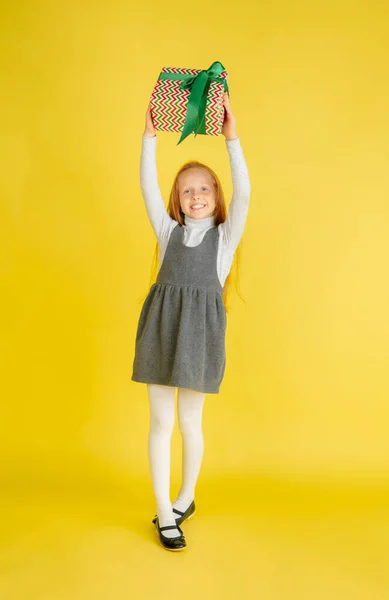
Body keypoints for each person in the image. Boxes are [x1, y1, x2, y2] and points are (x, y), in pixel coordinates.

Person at [131, 92, 251, 551]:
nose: (196, 194)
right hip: (161, 332)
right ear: (177, 201)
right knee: (160, 424)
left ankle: (185, 496)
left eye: (204, 187)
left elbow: (245, 193)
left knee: (189, 424)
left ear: (215, 196)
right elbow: (146, 186)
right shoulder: (167, 232)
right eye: (186, 189)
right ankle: (165, 513)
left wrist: (231, 139)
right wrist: (149, 137)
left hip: (200, 337)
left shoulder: (224, 240)